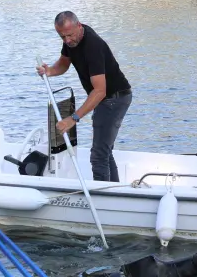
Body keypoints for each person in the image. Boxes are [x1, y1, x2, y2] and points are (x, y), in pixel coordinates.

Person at [37, 11, 132, 182]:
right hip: (104, 99)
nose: (67, 40)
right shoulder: (71, 40)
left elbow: (100, 91)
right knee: (104, 151)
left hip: (114, 98)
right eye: (62, 36)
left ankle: (104, 200)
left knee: (98, 156)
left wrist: (73, 118)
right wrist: (49, 71)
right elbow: (64, 63)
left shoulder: (92, 46)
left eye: (69, 35)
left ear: (79, 26)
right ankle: (115, 190)